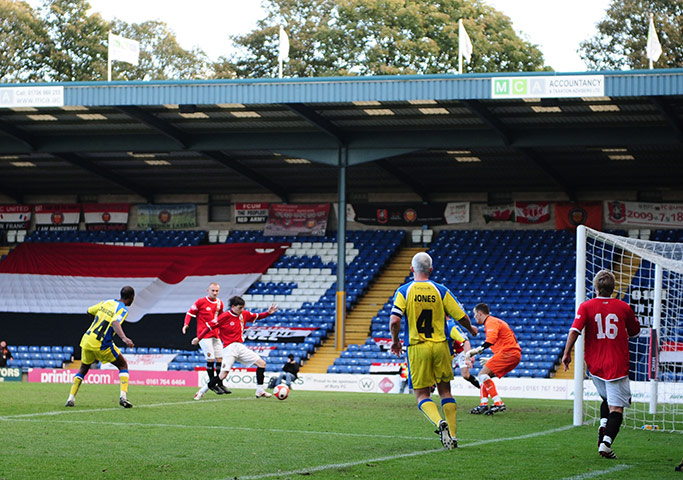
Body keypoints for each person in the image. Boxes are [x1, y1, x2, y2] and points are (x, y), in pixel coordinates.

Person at [390, 252, 478, 450]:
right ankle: (453, 436)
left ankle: (440, 423)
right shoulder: (441, 290)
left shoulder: (404, 290)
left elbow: (395, 320)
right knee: (445, 391)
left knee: (422, 395)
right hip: (441, 346)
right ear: (431, 270)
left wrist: (395, 341)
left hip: (417, 348)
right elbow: (460, 315)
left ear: (412, 269)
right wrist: (471, 329)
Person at [562, 270, 641, 459]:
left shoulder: (586, 306)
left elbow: (574, 330)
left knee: (607, 399)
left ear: (595, 287)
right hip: (616, 365)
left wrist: (566, 354)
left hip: (595, 365)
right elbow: (635, 332)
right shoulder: (623, 307)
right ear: (613, 288)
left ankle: (603, 424)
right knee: (617, 408)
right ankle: (606, 444)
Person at [192, 296, 278, 400]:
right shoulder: (224, 317)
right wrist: (198, 338)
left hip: (240, 346)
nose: (241, 310)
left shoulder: (244, 314)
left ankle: (260, 390)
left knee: (261, 364)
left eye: (243, 307)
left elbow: (258, 316)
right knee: (223, 375)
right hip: (229, 348)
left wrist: (268, 313)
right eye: (240, 308)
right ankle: (201, 391)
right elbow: (209, 327)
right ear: (233, 307)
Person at [65, 286, 136, 408]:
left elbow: (89, 311)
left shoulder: (107, 302)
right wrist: (124, 338)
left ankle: (70, 399)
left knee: (83, 368)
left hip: (87, 340)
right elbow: (115, 322)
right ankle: (123, 397)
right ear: (131, 298)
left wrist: (96, 323)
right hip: (102, 344)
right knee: (122, 365)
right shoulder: (122, 309)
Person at [466, 303, 522, 415]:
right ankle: (483, 405)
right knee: (485, 377)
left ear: (480, 313)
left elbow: (491, 339)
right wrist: (493, 358)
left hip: (508, 352)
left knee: (482, 375)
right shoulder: (496, 321)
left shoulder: (491, 321)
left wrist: (476, 350)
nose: (474, 317)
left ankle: (498, 403)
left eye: (475, 314)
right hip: (512, 353)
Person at [183, 282, 228, 394]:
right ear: (207, 290)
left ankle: (220, 383)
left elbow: (221, 319)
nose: (215, 293)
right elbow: (189, 313)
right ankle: (212, 384)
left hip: (215, 335)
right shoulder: (201, 302)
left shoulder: (220, 303)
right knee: (210, 359)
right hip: (203, 335)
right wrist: (186, 324)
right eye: (213, 290)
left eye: (217, 291)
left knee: (220, 360)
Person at [446, 319, 480, 389]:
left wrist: (469, 356)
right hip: (449, 354)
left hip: (460, 352)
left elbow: (465, 342)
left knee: (465, 375)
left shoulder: (451, 328)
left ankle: (481, 387)